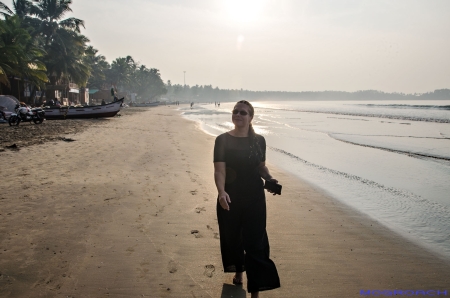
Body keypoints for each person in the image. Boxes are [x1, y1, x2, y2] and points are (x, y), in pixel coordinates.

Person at [213, 100, 280, 297]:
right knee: (233, 238)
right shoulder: (222, 140)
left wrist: (269, 178)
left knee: (255, 242)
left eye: (243, 112)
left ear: (251, 117)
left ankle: (255, 290)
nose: (238, 115)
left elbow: (260, 166)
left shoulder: (259, 140)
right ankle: (239, 272)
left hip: (254, 198)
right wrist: (221, 192)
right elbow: (219, 170)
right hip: (231, 198)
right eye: (235, 111)